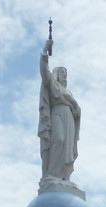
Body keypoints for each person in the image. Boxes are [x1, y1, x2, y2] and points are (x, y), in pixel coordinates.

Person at [38, 35, 81, 182]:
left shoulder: (68, 93)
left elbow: (76, 110)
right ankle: (52, 173)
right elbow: (44, 72)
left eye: (66, 74)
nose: (65, 75)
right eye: (62, 73)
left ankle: (63, 175)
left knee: (67, 147)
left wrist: (76, 108)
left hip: (69, 117)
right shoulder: (53, 85)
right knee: (59, 140)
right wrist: (45, 50)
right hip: (57, 113)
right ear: (57, 74)